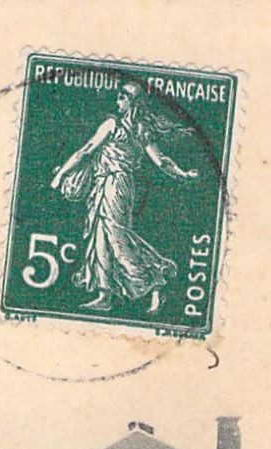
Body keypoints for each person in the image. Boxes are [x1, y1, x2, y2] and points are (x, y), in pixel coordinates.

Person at [49, 79, 198, 314]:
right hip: (108, 184)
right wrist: (182, 173)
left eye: (123, 96)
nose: (118, 99)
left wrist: (60, 176)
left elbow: (87, 150)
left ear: (134, 102)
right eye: (119, 95)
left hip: (115, 184)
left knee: (117, 237)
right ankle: (104, 294)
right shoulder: (138, 129)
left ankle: (155, 280)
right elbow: (162, 161)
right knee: (101, 238)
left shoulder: (119, 125)